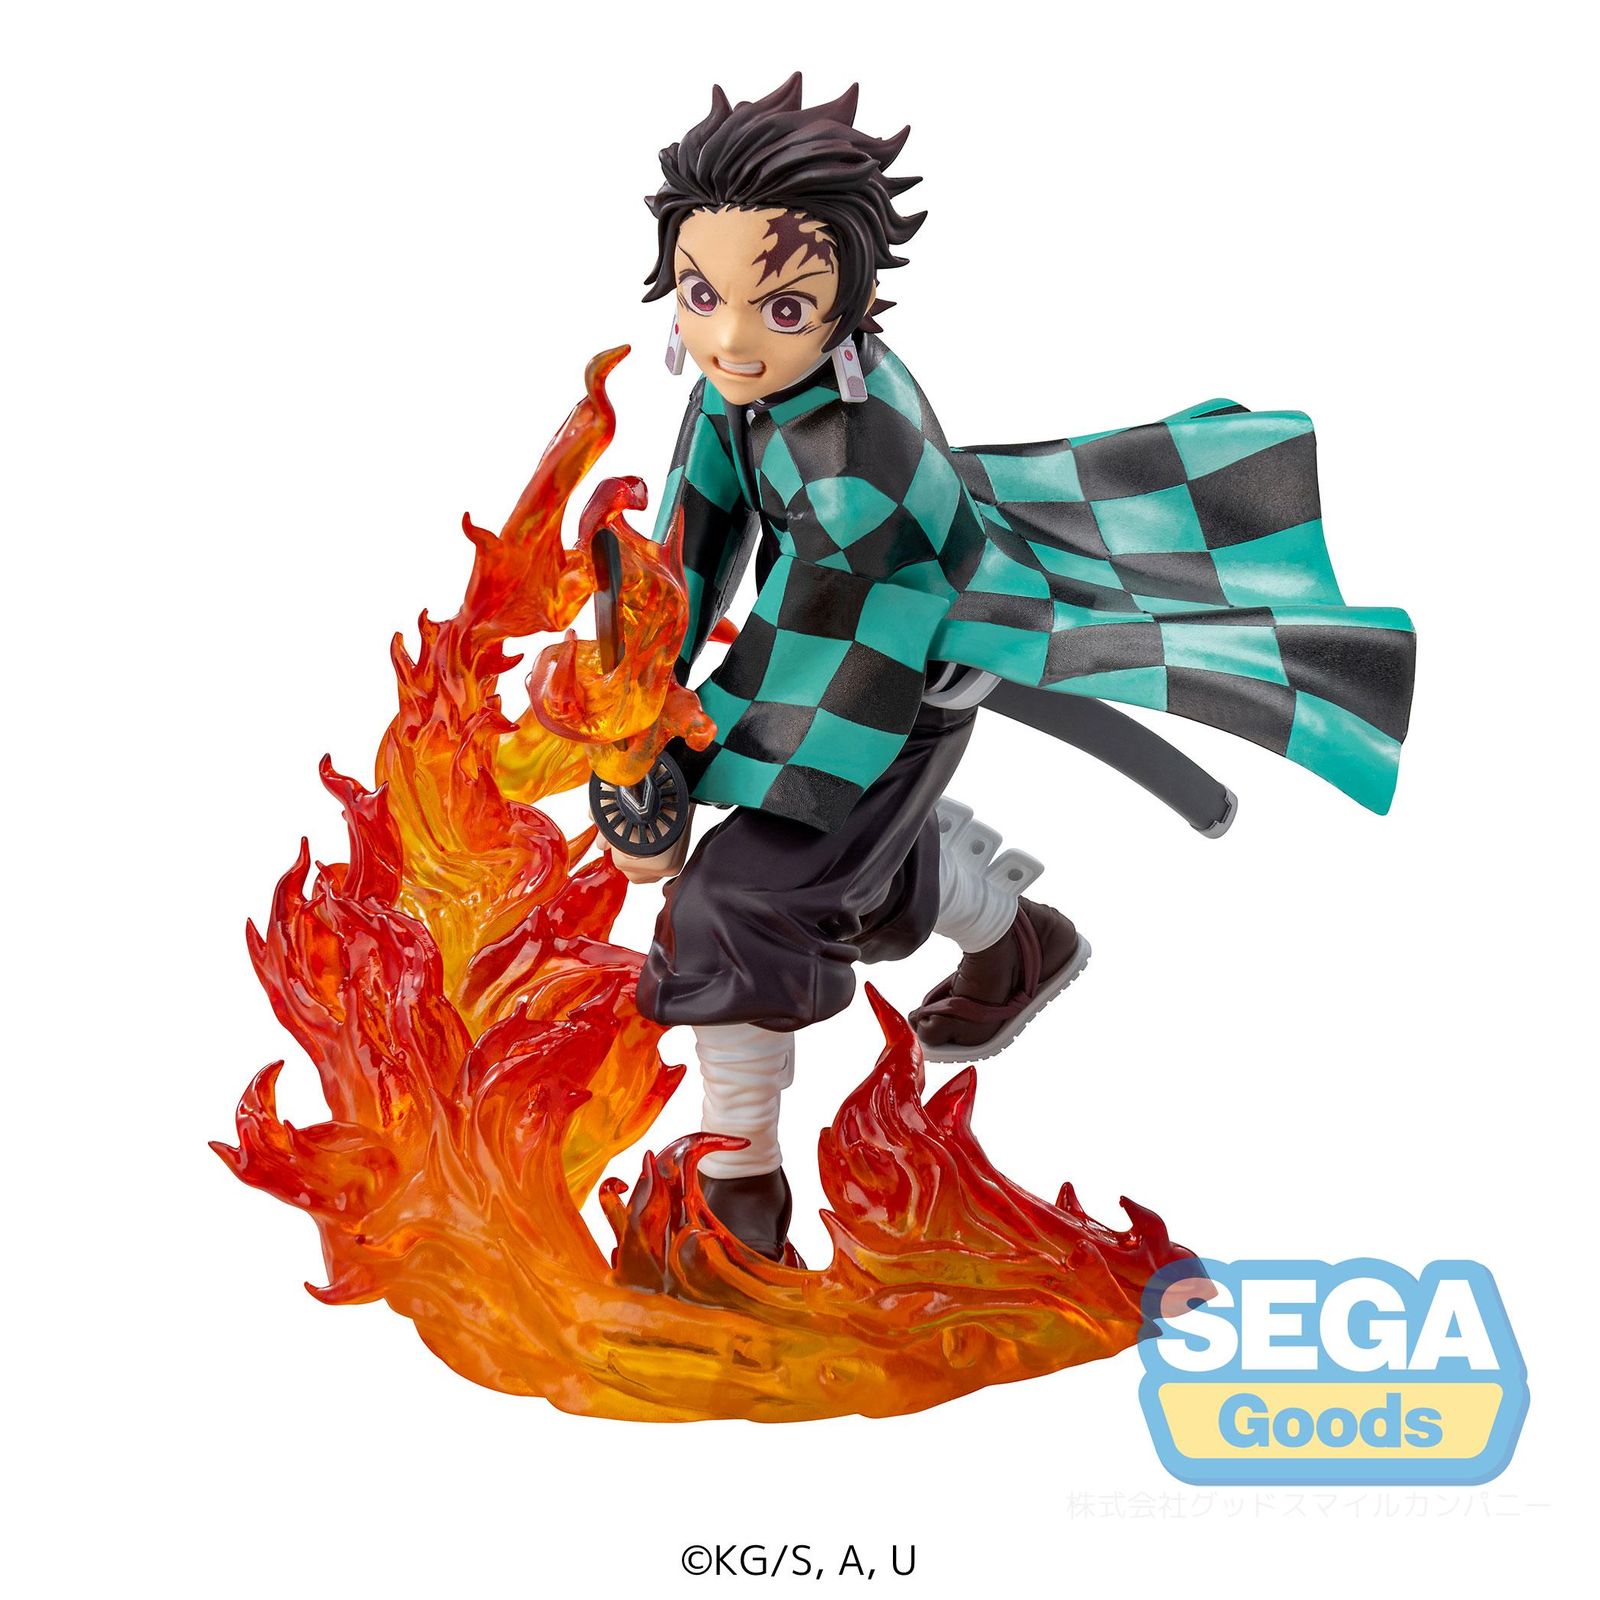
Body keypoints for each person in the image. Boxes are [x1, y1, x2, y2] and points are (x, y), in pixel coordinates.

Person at [615, 76, 1415, 1260]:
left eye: (778, 306)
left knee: (735, 900)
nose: (728, 338)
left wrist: (679, 760)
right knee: (840, 876)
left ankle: (737, 1197)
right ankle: (1014, 937)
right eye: (700, 295)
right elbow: (690, 546)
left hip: (888, 682)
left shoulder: (854, 462)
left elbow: (816, 658)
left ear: (849, 300)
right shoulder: (742, 393)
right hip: (836, 658)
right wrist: (638, 691)